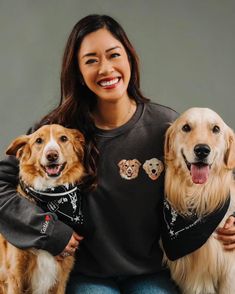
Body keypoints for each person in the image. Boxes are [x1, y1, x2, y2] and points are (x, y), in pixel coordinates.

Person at [0, 14, 235, 294]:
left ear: (130, 59)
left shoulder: (167, 126)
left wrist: (233, 217)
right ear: (78, 72)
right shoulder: (57, 133)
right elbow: (2, 186)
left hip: (151, 270)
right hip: (86, 273)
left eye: (114, 55)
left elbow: (220, 168)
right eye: (91, 60)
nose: (106, 68)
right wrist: (49, 230)